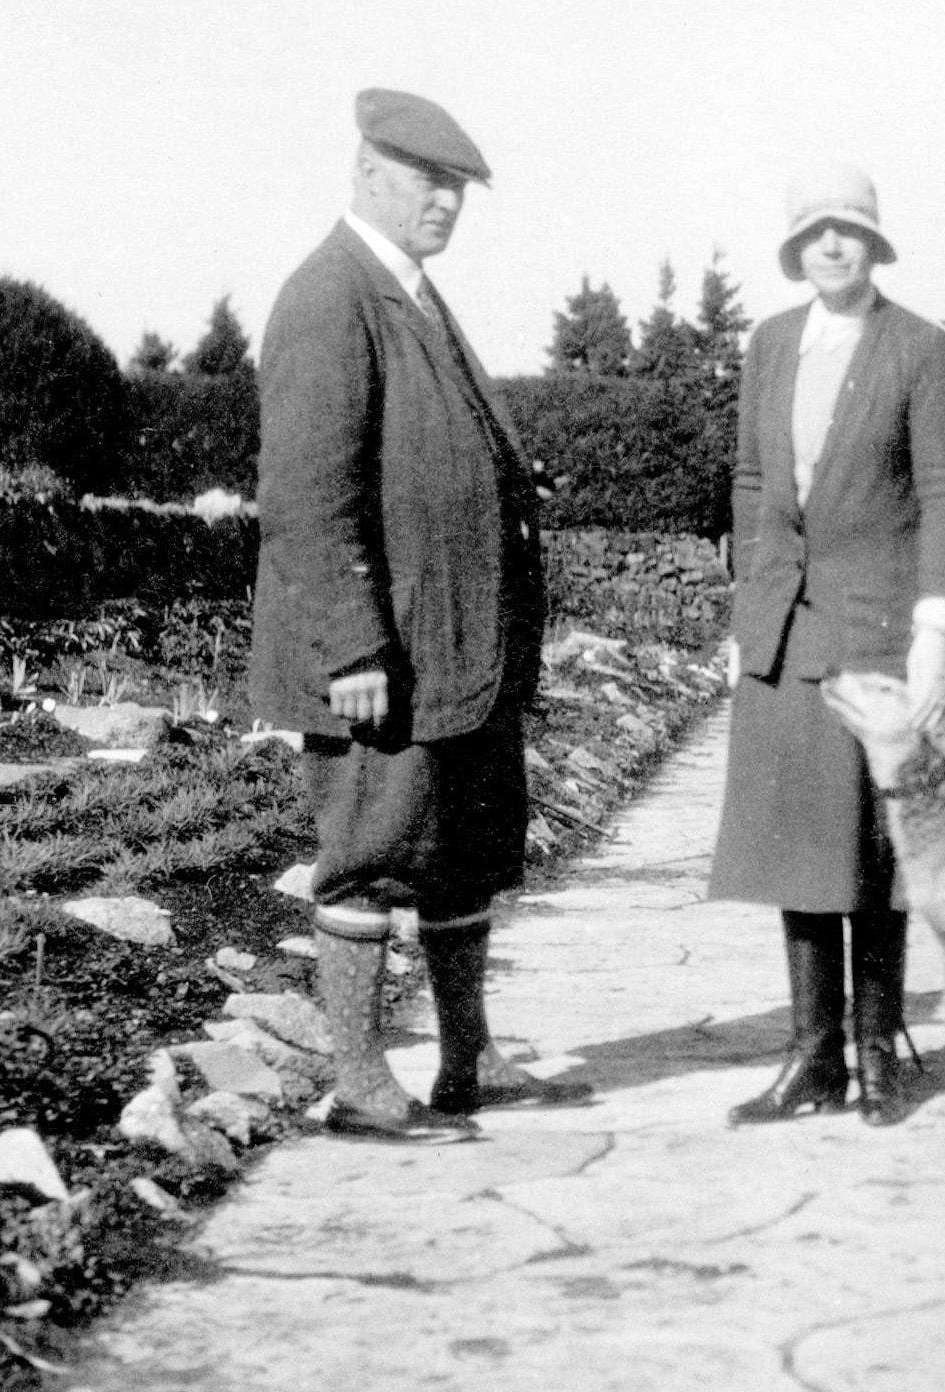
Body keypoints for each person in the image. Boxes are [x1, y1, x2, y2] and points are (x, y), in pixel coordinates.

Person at [249, 88, 589, 1144]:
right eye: (426, 181)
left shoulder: (412, 295)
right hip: (381, 652)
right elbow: (309, 493)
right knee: (371, 852)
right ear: (366, 176)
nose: (446, 202)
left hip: (456, 649)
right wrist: (350, 640)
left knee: (464, 852)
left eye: (457, 188)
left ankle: (467, 1058)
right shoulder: (329, 297)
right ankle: (357, 1080)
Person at [710, 164, 945, 1127]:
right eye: (815, 232)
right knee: (799, 849)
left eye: (849, 231)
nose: (832, 246)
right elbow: (749, 479)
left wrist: (934, 638)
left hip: (877, 631)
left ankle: (878, 1055)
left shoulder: (920, 347)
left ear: (874, 244)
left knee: (876, 851)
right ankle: (812, 1058)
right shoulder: (772, 343)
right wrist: (753, 608)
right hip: (786, 631)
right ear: (794, 248)